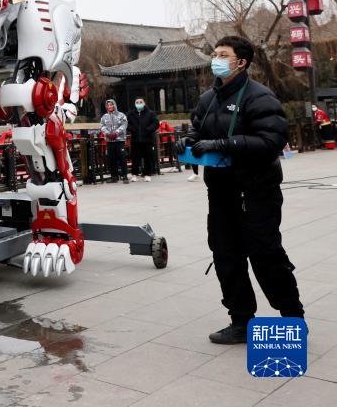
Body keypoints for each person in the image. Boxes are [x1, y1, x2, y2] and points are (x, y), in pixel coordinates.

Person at [179, 35, 303, 344]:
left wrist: (224, 144)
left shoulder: (260, 97)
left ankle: (292, 317)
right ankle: (241, 321)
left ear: (241, 62)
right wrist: (188, 141)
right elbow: (197, 127)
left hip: (257, 191)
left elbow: (272, 140)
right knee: (226, 255)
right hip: (221, 192)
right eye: (215, 54)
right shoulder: (208, 98)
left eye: (223, 55)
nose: (216, 59)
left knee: (266, 255)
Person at [126, 97, 159, 182]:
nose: (139, 104)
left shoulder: (150, 113)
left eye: (141, 102)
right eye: (137, 102)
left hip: (147, 139)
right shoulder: (130, 114)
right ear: (134, 104)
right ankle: (134, 174)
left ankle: (147, 174)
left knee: (148, 157)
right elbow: (126, 124)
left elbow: (156, 123)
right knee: (135, 158)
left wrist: (148, 130)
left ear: (144, 103)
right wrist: (132, 129)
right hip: (135, 140)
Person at [99, 99, 128, 182]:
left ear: (114, 105)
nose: (109, 106)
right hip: (109, 141)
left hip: (119, 140)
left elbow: (124, 125)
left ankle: (124, 176)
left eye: (111, 105)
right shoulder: (104, 117)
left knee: (122, 158)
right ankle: (114, 177)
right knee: (112, 159)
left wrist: (116, 133)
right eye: (108, 105)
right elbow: (101, 126)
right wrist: (107, 133)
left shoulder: (121, 115)